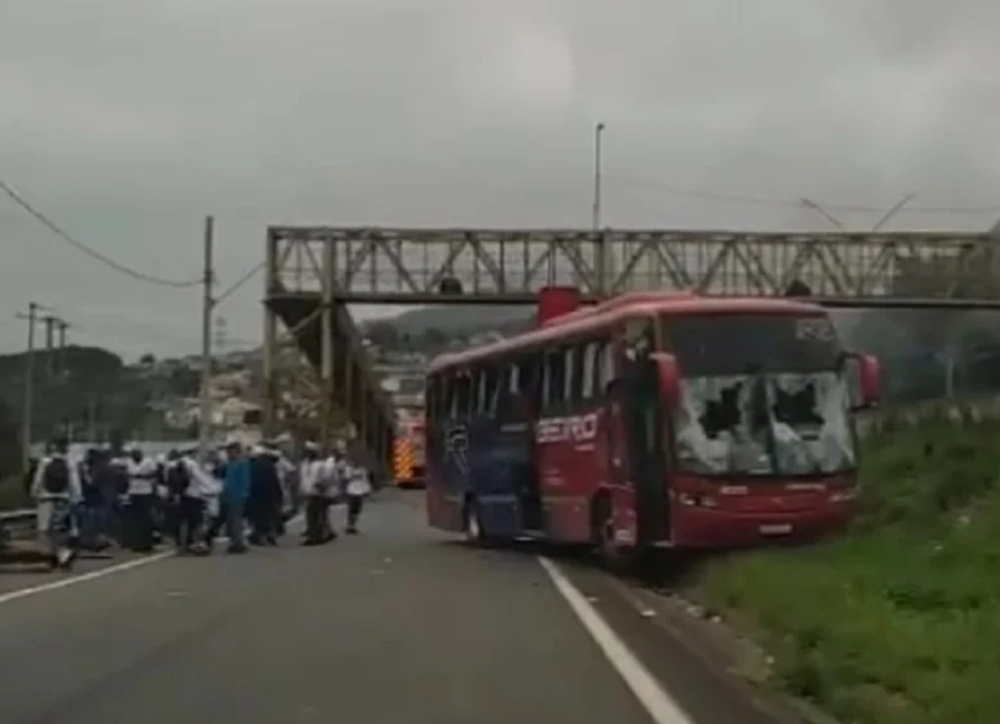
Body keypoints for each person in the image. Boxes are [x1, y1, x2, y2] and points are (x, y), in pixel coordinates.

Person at [30, 437, 81, 567]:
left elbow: (38, 479)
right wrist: (76, 497)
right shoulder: (69, 462)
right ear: (66, 448)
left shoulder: (45, 462)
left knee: (46, 529)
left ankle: (51, 554)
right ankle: (63, 554)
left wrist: (35, 493)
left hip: (45, 498)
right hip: (63, 498)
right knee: (62, 528)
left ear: (53, 447)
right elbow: (74, 482)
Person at [165, 449, 214, 554]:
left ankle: (183, 546)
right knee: (198, 522)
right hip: (196, 495)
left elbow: (170, 481)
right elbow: (202, 479)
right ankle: (199, 544)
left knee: (183, 522)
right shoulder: (193, 464)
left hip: (183, 495)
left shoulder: (173, 465)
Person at [300, 443, 335, 545]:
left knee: (315, 515)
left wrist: (321, 486)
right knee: (313, 515)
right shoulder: (304, 464)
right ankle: (318, 535)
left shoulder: (320, 465)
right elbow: (304, 478)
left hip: (318, 493)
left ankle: (316, 536)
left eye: (310, 453)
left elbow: (326, 478)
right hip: (309, 492)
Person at [247, 445, 283, 546]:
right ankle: (267, 535)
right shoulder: (269, 465)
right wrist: (279, 494)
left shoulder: (252, 465)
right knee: (268, 517)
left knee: (259, 518)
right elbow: (274, 481)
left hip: (256, 495)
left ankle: (260, 535)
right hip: (269, 495)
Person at [124, 448, 158, 552]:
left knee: (146, 519)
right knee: (135, 520)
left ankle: (147, 544)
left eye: (137, 455)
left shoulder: (148, 462)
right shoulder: (129, 462)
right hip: (133, 492)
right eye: (133, 456)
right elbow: (127, 475)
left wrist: (142, 476)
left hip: (146, 492)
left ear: (141, 455)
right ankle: (136, 544)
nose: (135, 457)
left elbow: (154, 474)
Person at [220, 440, 251, 554]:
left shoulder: (242, 463)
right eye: (228, 452)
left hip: (237, 495)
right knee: (231, 520)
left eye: (231, 452)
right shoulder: (229, 464)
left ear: (237, 452)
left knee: (236, 520)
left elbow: (246, 480)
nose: (229, 454)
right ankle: (235, 541)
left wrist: (244, 493)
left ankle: (238, 542)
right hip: (228, 495)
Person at [341, 441, 372, 534]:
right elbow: (346, 478)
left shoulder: (362, 469)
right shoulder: (349, 468)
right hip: (351, 490)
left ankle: (353, 525)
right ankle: (349, 525)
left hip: (360, 491)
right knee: (351, 508)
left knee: (357, 509)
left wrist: (367, 490)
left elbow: (365, 480)